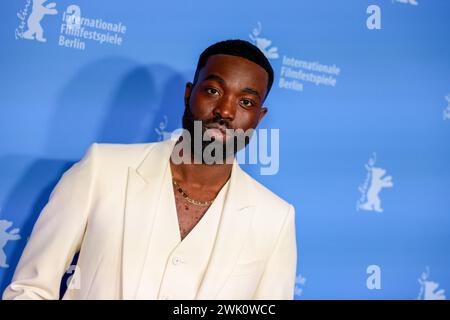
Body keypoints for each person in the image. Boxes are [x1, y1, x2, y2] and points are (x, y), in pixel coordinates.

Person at [3, 39, 297, 300]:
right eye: (213, 90)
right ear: (189, 94)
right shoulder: (102, 169)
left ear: (259, 117)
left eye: (245, 101)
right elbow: (31, 288)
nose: (225, 111)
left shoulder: (274, 218)